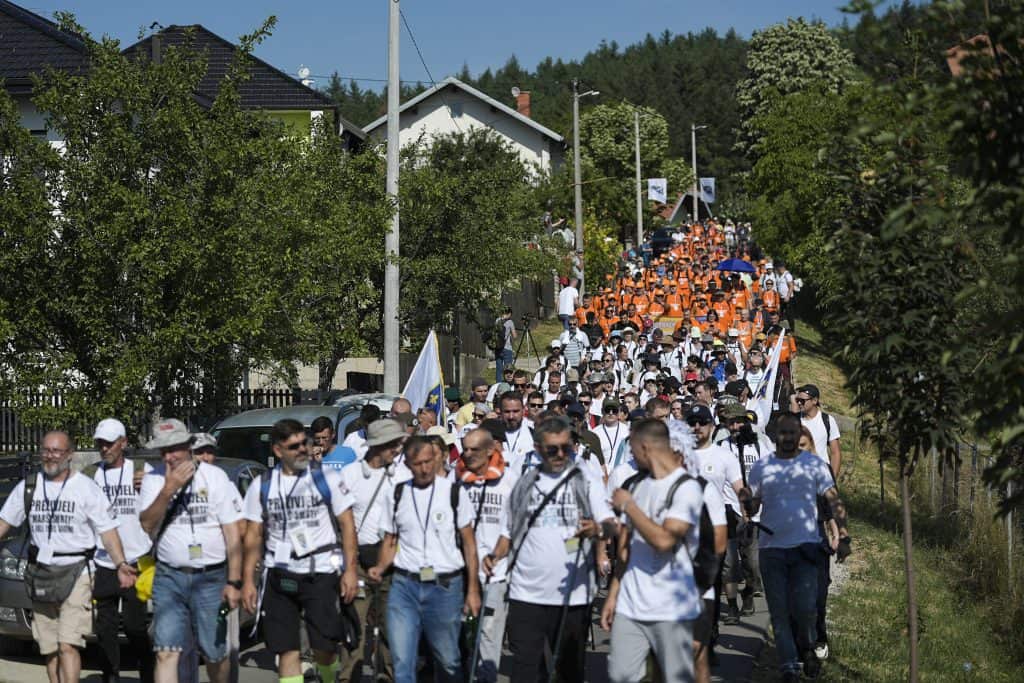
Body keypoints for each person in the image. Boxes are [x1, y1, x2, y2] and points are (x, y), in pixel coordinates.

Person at [483, 418, 616, 683]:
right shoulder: (525, 483)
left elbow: (610, 524)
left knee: (569, 670)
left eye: (565, 448)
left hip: (572, 594)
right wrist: (495, 556)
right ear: (537, 449)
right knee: (525, 668)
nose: (560, 455)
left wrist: (597, 531)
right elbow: (508, 532)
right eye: (552, 449)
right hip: (526, 591)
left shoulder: (584, 479)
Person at [0, 431, 136, 683]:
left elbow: (108, 530)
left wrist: (121, 563)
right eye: (46, 450)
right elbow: (4, 522)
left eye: (57, 451)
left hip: (78, 572)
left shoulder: (86, 489)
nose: (50, 456)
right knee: (50, 649)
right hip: (40, 572)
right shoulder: (29, 487)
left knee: (67, 644)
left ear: (70, 455)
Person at [240, 419, 359, 683]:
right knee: (287, 649)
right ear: (278, 451)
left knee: (325, 648)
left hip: (321, 572)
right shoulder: (263, 485)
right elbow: (252, 536)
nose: (302, 450)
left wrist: (350, 570)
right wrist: (248, 580)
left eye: (304, 443)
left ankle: (328, 675)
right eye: (293, 446)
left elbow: (348, 525)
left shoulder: (326, 477)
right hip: (279, 572)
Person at [741, 412, 851, 682]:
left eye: (793, 432)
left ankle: (808, 646)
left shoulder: (814, 465)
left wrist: (844, 534)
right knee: (779, 611)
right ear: (775, 435)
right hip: (772, 549)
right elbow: (754, 506)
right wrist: (747, 500)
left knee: (805, 608)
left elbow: (833, 500)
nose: (788, 437)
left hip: (806, 548)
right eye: (783, 433)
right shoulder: (762, 467)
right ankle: (789, 665)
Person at [368, 437, 482, 683]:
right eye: (418, 463)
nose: (425, 468)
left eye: (429, 461)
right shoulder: (397, 494)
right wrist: (380, 566)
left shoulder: (452, 492)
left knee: (448, 659)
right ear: (407, 464)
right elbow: (390, 540)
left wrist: (472, 589)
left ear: (437, 458)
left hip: (444, 587)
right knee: (403, 661)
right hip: (405, 585)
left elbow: (470, 544)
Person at [139, 419, 244, 683]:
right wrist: (168, 489)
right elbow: (147, 524)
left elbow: (232, 532)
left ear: (188, 446)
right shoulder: (154, 478)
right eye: (163, 450)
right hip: (169, 577)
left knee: (214, 654)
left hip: (211, 577)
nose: (169, 456)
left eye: (174, 448)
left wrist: (234, 581)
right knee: (166, 652)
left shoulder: (215, 477)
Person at [602, 418, 704, 683]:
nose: (631, 456)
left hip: (671, 607)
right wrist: (613, 595)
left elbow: (665, 541)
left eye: (633, 449)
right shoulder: (635, 485)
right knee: (620, 676)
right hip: (631, 604)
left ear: (645, 447)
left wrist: (630, 507)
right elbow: (624, 548)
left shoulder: (687, 487)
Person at [338, 419, 411, 682]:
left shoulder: (403, 475)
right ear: (377, 445)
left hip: (393, 562)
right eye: (393, 444)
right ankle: (348, 677)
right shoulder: (350, 475)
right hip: (357, 561)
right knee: (355, 627)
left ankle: (388, 676)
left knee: (391, 629)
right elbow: (340, 520)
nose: (397, 449)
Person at [89, 418, 155, 683]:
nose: (104, 449)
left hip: (137, 559)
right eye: (100, 444)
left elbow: (160, 505)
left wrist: (149, 484)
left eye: (109, 443)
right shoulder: (91, 475)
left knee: (134, 626)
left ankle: (148, 672)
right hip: (104, 560)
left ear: (123, 443)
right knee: (104, 628)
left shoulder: (141, 470)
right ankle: (111, 675)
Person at [455, 428, 518, 682]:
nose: (467, 454)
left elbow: (513, 526)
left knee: (489, 635)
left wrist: (497, 554)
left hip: (496, 571)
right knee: (462, 633)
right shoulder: (455, 477)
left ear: (491, 450)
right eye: (464, 449)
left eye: (474, 450)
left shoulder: (510, 479)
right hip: (461, 569)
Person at [688, 404, 746, 626]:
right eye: (692, 423)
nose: (697, 427)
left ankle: (710, 631)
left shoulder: (724, 456)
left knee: (714, 576)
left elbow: (739, 487)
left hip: (716, 525)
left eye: (702, 423)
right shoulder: (678, 456)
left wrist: (747, 511)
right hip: (686, 527)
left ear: (711, 426)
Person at [795, 384, 842, 478]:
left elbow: (835, 453)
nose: (799, 403)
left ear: (814, 401)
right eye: (797, 400)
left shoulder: (828, 420)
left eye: (802, 401)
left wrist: (832, 479)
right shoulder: (793, 420)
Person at [495, 308, 517, 378]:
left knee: (499, 369)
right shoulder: (510, 322)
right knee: (508, 369)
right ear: (509, 314)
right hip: (507, 348)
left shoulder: (497, 320)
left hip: (498, 347)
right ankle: (508, 386)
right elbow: (514, 336)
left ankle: (499, 385)